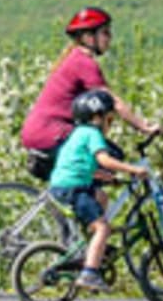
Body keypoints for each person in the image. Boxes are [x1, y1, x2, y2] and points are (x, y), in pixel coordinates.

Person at [19, 6, 160, 162]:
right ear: (88, 37)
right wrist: (142, 126)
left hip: (44, 132)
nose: (110, 38)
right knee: (109, 157)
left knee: (107, 160)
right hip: (49, 133)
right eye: (105, 32)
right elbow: (113, 101)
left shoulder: (75, 58)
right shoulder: (83, 63)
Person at [49, 89, 148, 290]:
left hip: (65, 186)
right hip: (73, 190)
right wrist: (133, 169)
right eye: (109, 121)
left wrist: (108, 178)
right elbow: (104, 159)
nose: (109, 126)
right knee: (104, 227)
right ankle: (89, 273)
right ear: (96, 118)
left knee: (101, 196)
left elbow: (80, 166)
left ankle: (92, 246)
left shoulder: (78, 133)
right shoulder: (93, 133)